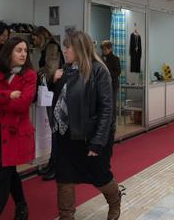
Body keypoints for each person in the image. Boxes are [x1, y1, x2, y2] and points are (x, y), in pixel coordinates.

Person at [52, 30, 121, 220]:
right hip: (66, 136)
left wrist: (98, 141)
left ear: (79, 49)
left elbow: (107, 109)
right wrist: (53, 81)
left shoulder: (99, 70)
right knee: (64, 177)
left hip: (90, 137)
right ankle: (66, 216)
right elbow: (61, 101)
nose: (64, 51)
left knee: (100, 175)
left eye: (68, 47)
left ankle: (115, 202)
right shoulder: (65, 70)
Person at [0, 37, 37, 220]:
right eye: (18, 50)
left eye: (25, 50)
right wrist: (8, 94)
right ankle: (21, 206)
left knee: (3, 176)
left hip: (15, 133)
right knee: (9, 172)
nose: (23, 54)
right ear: (9, 52)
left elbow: (22, 104)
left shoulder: (30, 75)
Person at [31, 26, 64, 181]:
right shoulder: (50, 47)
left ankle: (55, 166)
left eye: (35, 38)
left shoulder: (51, 47)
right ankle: (53, 164)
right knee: (54, 132)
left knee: (55, 131)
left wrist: (36, 74)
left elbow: (51, 72)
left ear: (41, 36)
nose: (34, 42)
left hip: (54, 93)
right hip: (53, 92)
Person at [101, 39, 121, 122]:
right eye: (102, 49)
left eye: (105, 49)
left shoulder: (115, 58)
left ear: (110, 49)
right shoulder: (101, 58)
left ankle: (112, 122)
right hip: (103, 85)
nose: (104, 51)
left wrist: (108, 74)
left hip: (113, 84)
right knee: (104, 104)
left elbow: (118, 72)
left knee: (112, 104)